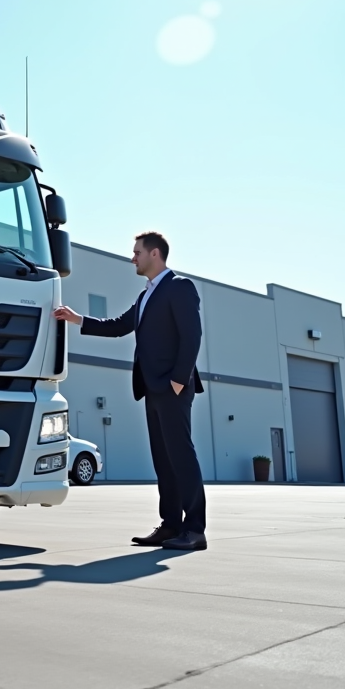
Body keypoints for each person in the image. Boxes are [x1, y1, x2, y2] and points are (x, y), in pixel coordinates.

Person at [53, 232, 208, 551]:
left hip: (173, 386)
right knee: (163, 459)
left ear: (155, 254)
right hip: (153, 388)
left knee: (181, 455)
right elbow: (117, 326)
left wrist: (178, 380)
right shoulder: (145, 296)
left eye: (137, 252)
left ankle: (195, 529)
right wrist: (77, 319)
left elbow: (192, 335)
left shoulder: (179, 287)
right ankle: (171, 525)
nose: (133, 257)